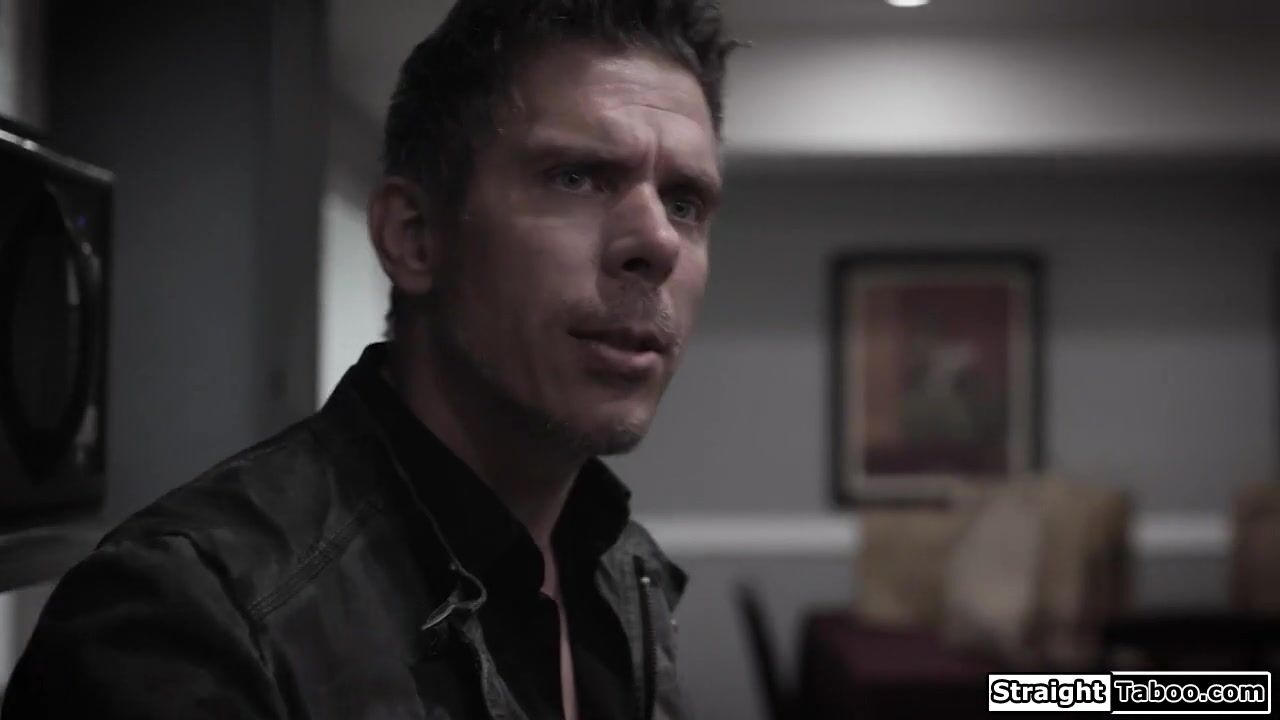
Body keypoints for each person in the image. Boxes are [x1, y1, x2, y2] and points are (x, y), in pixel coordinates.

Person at [2, 1, 735, 718]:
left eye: (684, 202)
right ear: (413, 237)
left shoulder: (624, 572)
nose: (658, 242)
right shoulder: (191, 624)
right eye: (575, 176)